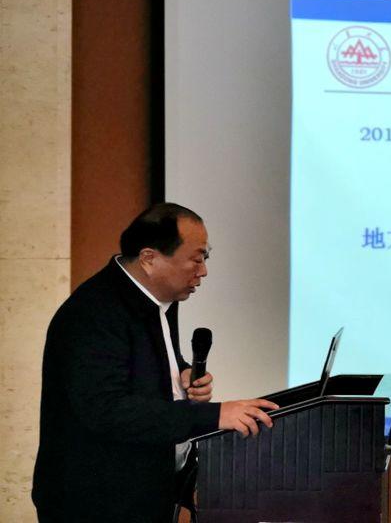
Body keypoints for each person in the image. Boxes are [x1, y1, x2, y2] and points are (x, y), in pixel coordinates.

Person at [32, 203, 279, 522]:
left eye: (206, 258)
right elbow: (107, 410)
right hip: (97, 502)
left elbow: (143, 361)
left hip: (146, 491)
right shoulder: (92, 314)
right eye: (196, 259)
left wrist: (181, 372)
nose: (203, 271)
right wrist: (214, 415)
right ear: (149, 258)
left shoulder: (159, 299)